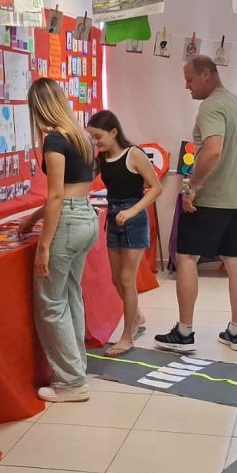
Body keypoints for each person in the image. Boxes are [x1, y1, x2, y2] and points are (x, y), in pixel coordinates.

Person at [154, 56, 237, 352]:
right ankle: (235, 332)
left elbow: (212, 151)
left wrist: (193, 187)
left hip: (211, 199)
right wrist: (233, 171)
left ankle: (184, 333)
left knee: (187, 257)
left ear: (206, 74)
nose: (187, 86)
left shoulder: (211, 106)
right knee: (234, 260)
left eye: (189, 80)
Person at [19, 78, 98, 401]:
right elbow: (69, 190)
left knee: (51, 304)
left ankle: (70, 382)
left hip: (67, 222)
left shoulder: (54, 140)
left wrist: (44, 246)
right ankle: (77, 370)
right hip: (86, 217)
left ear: (38, 107)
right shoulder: (80, 136)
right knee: (70, 296)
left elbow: (55, 196)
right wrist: (33, 219)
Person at [87, 111, 163, 356]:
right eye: (92, 138)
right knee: (116, 279)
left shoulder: (134, 154)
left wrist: (132, 211)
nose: (95, 142)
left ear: (114, 132)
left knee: (127, 279)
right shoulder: (103, 157)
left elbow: (155, 188)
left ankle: (127, 336)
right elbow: (86, 179)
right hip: (113, 217)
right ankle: (137, 316)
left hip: (133, 220)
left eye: (98, 137)